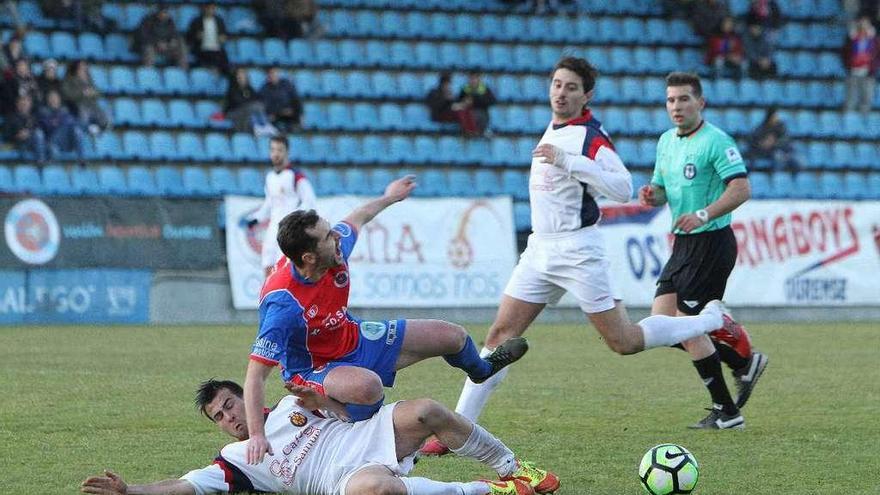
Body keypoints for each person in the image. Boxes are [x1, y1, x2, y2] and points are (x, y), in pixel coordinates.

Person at [420, 57, 734, 456]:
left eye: (570, 87)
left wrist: (571, 162)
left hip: (578, 250)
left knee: (624, 341)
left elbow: (622, 188)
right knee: (500, 336)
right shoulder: (555, 126)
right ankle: (459, 432)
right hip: (540, 249)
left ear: (587, 95)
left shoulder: (590, 137)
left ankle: (708, 318)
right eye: (556, 84)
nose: (561, 92)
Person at [244, 175, 529, 465]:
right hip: (314, 367)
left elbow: (359, 216)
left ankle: (481, 370)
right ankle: (332, 412)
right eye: (328, 236)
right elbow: (256, 375)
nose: (337, 236)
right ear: (309, 257)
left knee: (453, 337)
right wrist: (257, 435)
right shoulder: (283, 303)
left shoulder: (335, 252)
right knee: (368, 389)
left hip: (353, 336)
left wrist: (390, 196)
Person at [80, 379, 559, 495]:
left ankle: (515, 470)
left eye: (230, 404)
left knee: (430, 409)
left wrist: (322, 398)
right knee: (375, 489)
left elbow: (357, 406)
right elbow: (184, 486)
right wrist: (132, 491)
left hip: (374, 434)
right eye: (219, 417)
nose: (228, 417)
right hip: (347, 477)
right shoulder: (234, 459)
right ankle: (489, 491)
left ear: (246, 396)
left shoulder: (292, 401)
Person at [637, 71, 768, 430]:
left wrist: (704, 213)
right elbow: (661, 189)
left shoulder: (716, 141)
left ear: (700, 102)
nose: (676, 106)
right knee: (662, 324)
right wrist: (653, 196)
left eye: (683, 99)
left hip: (712, 243)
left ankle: (727, 412)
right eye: (670, 100)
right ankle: (742, 362)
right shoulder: (666, 141)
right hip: (683, 245)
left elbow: (741, 188)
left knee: (686, 328)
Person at [246, 135, 317, 278]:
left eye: (280, 150)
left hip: (289, 231)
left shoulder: (296, 176)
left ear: (287, 152)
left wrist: (295, 220)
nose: (276, 154)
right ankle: (270, 298)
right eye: (273, 150)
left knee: (285, 266)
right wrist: (256, 218)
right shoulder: (270, 177)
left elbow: (309, 201)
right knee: (267, 264)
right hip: (273, 227)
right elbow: (269, 204)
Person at [61, 60, 110, 134]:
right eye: (81, 67)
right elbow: (67, 94)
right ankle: (87, 131)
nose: (84, 68)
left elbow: (97, 92)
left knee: (105, 118)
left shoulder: (89, 79)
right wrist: (83, 93)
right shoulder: (69, 79)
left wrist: (94, 93)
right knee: (83, 117)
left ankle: (96, 130)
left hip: (92, 104)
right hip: (78, 104)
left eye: (85, 66)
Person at [842, 16, 879, 113]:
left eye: (865, 23)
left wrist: (874, 66)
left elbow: (877, 55)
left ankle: (864, 117)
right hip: (853, 71)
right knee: (851, 95)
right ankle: (849, 116)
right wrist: (848, 65)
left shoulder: (874, 40)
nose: (863, 26)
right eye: (861, 23)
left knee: (867, 96)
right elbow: (844, 53)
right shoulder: (851, 39)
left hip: (868, 72)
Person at [426, 72, 479, 137]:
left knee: (465, 110)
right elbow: (436, 106)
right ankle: (468, 131)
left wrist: (460, 103)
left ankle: (473, 130)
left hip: (449, 113)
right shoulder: (434, 92)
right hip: (438, 115)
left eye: (449, 84)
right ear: (442, 84)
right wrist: (446, 100)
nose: (448, 86)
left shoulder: (449, 93)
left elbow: (453, 104)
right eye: (446, 84)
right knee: (460, 112)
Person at [38, 89, 85, 162]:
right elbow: (47, 125)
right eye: (51, 98)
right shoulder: (43, 111)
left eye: (55, 98)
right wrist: (60, 122)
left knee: (77, 130)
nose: (53, 100)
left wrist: (59, 122)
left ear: (59, 99)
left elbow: (72, 121)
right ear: (47, 100)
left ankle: (81, 159)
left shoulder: (64, 110)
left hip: (66, 140)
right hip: (52, 141)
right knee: (53, 149)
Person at [186, 3, 230, 75]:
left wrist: (223, 38)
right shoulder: (196, 21)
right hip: (201, 49)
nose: (211, 11)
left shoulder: (219, 21)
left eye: (213, 9)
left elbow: (225, 35)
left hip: (217, 49)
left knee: (225, 65)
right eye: (209, 9)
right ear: (205, 9)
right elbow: (189, 37)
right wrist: (196, 37)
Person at [258, 67, 303, 132]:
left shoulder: (287, 84)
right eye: (271, 74)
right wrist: (281, 112)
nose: (274, 75)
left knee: (296, 127)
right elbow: (267, 107)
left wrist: (300, 113)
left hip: (291, 116)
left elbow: (296, 100)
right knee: (280, 128)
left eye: (275, 73)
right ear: (267, 76)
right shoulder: (264, 90)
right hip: (276, 118)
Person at [4, 94, 46, 162]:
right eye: (22, 102)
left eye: (27, 102)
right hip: (19, 144)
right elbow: (6, 136)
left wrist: (29, 133)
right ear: (17, 104)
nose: (24, 104)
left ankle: (42, 162)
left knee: (42, 137)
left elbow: (40, 131)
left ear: (30, 104)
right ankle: (41, 161)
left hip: (34, 143)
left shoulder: (34, 118)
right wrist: (18, 136)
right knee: (38, 135)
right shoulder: (11, 118)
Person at [459, 71, 496, 136]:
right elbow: (459, 101)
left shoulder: (485, 89)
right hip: (468, 113)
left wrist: (475, 100)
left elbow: (492, 101)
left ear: (478, 79)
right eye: (471, 78)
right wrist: (464, 102)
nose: (473, 81)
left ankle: (478, 131)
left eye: (474, 78)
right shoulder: (464, 90)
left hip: (482, 114)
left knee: (476, 114)